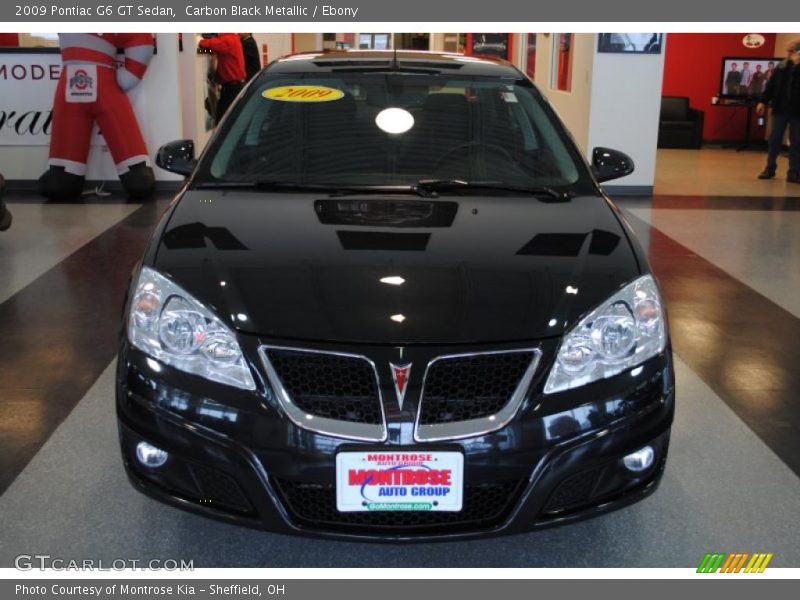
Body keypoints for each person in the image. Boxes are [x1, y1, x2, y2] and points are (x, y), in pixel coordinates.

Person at [756, 39, 800, 182]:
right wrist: (762, 101)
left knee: (796, 142)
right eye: (788, 51)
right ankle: (769, 168)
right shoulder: (781, 67)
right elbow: (771, 85)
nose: (788, 54)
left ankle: (794, 172)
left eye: (792, 51)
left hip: (797, 112)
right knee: (774, 140)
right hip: (780, 109)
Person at [198, 33, 246, 125]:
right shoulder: (234, 39)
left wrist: (198, 40)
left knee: (222, 122)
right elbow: (211, 49)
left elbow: (203, 44)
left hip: (231, 89)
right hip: (235, 87)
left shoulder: (226, 40)